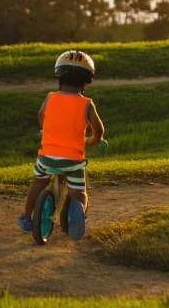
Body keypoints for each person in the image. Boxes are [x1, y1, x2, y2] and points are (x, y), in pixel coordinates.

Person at [18, 50, 105, 239]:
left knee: (38, 183)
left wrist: (48, 129)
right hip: (72, 161)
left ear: (59, 76)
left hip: (47, 157)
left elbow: (41, 115)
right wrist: (92, 140)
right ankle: (78, 208)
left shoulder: (50, 98)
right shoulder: (87, 104)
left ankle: (26, 216)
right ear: (86, 81)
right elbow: (99, 130)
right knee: (79, 192)